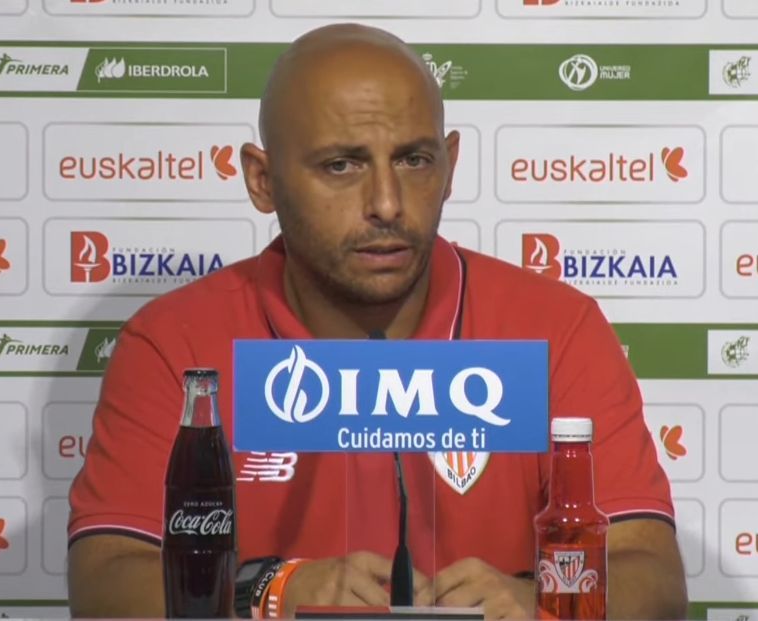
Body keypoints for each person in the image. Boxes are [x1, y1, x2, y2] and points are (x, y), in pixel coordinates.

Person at [66, 24, 688, 620]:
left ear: (449, 164)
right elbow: (108, 580)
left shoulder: (554, 329)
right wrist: (270, 588)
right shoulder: (177, 342)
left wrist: (547, 607)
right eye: (342, 165)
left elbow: (650, 576)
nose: (387, 204)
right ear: (262, 180)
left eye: (414, 161)